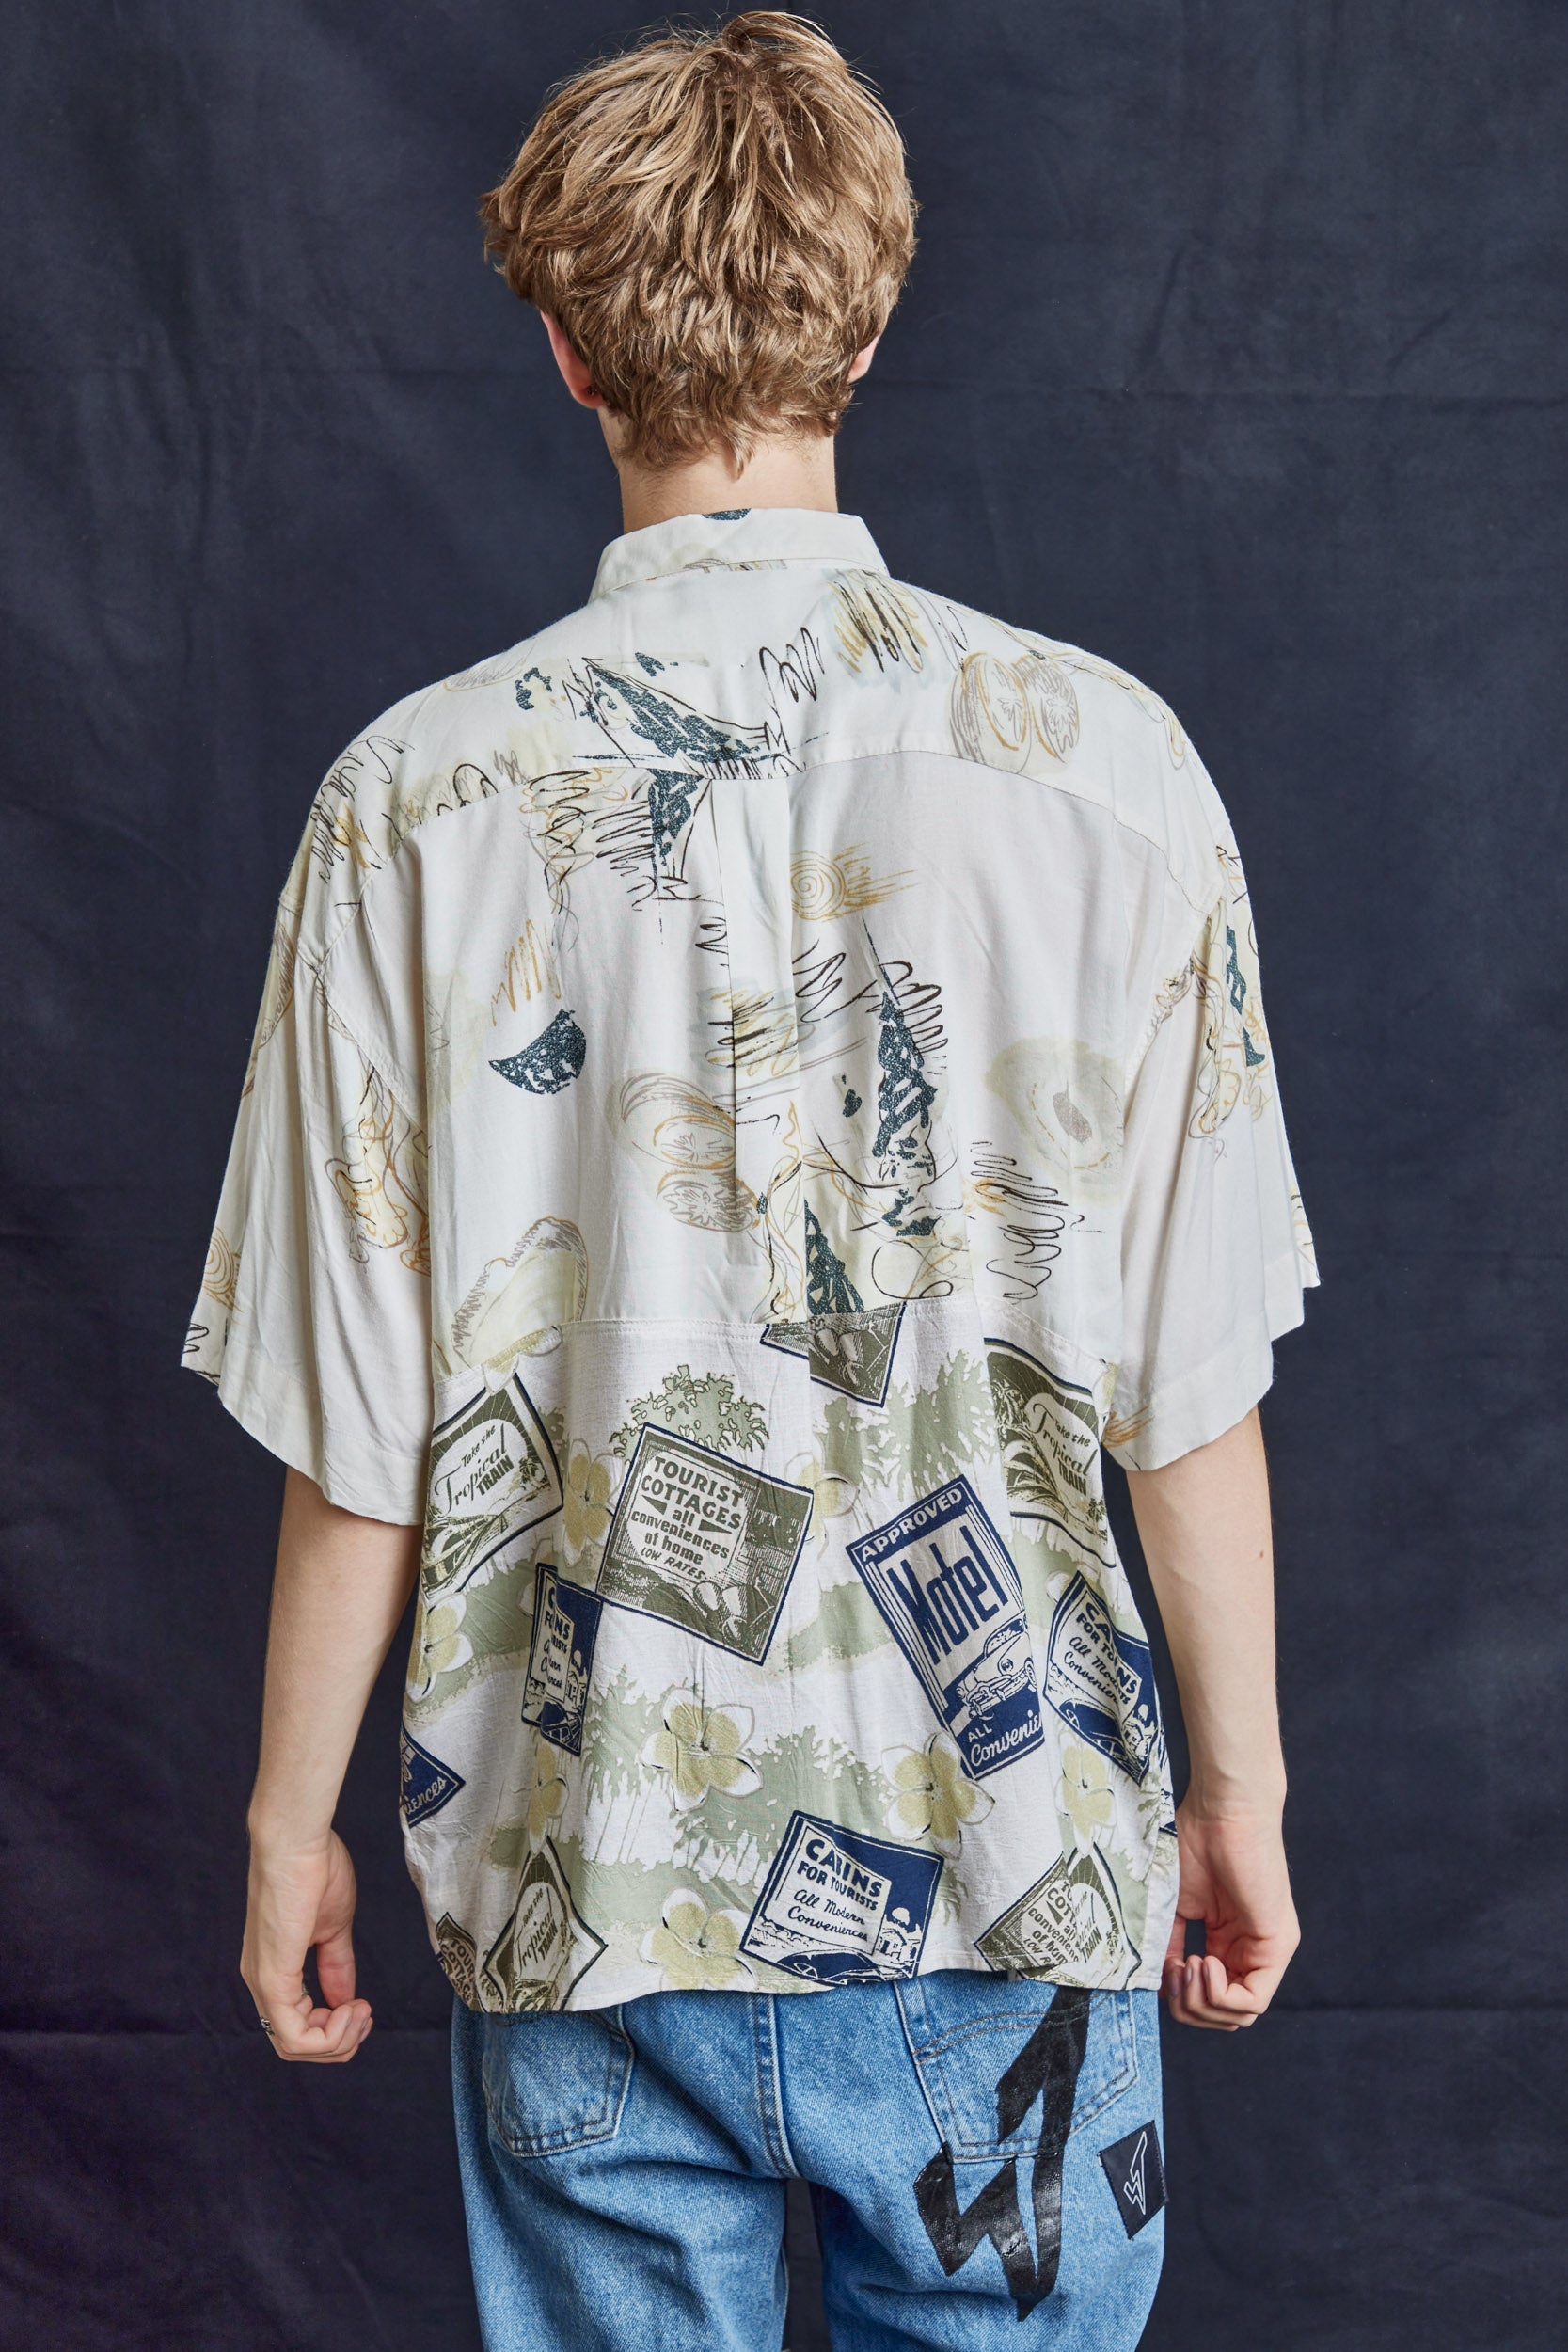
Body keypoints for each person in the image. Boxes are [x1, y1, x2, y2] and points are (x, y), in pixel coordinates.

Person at [183, 14, 1316, 2348]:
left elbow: (360, 1425)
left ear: (567, 347)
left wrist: (290, 1820)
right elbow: (1186, 1384)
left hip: (591, 1883)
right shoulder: (1113, 773)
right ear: (868, 324)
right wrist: (1243, 1787)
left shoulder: (411, 805)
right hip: (1017, 1887)